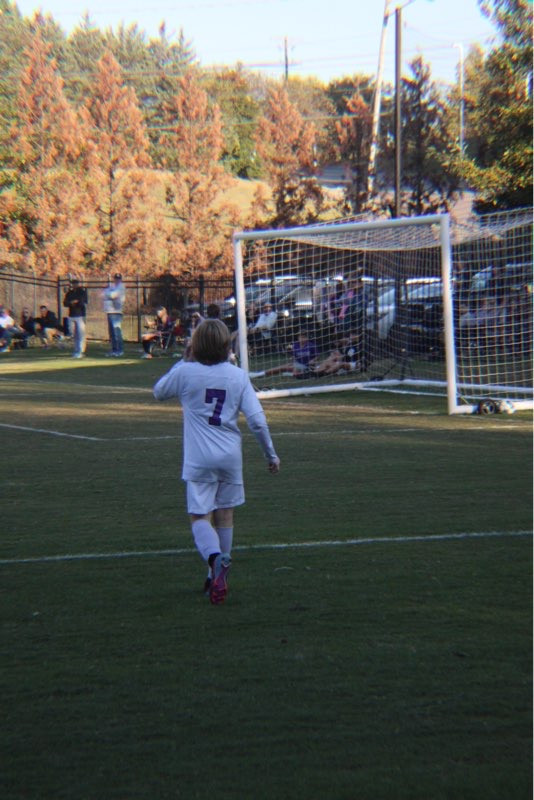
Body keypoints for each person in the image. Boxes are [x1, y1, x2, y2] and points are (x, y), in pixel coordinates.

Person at [153, 318, 280, 605]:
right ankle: (216, 577)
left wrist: (183, 360)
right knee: (225, 515)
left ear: (195, 344)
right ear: (226, 345)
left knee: (200, 517)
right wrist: (270, 454)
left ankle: (214, 560)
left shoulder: (186, 371)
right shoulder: (237, 376)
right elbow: (257, 421)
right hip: (230, 457)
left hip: (199, 458)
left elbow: (159, 391)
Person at [250, 331, 318, 379]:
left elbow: (317, 356)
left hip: (307, 366)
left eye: (304, 337)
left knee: (283, 368)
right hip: (298, 364)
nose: (302, 339)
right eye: (301, 337)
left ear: (307, 338)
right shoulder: (295, 345)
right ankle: (261, 374)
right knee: (287, 367)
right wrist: (293, 359)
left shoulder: (311, 345)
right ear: (298, 338)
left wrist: (313, 360)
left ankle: (260, 374)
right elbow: (294, 356)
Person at [63, 278, 88, 359]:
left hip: (80, 315)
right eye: (73, 284)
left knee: (81, 334)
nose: (74, 285)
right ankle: (76, 350)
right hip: (71, 315)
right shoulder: (69, 293)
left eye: (76, 283)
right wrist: (71, 302)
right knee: (74, 334)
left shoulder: (82, 292)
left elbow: (82, 302)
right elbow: (65, 303)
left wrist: (76, 302)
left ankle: (81, 351)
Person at [102, 272, 126, 357]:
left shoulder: (121, 286)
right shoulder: (112, 286)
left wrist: (108, 294)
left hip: (116, 311)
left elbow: (113, 295)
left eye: (118, 278)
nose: (117, 280)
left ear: (121, 279)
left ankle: (119, 350)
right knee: (112, 333)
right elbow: (103, 294)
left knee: (116, 331)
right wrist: (107, 294)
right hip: (109, 311)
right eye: (116, 278)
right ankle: (114, 349)